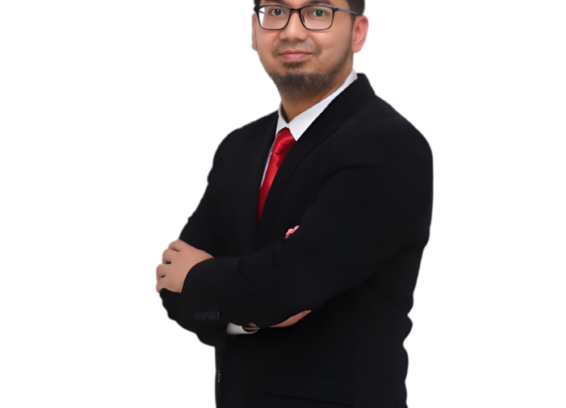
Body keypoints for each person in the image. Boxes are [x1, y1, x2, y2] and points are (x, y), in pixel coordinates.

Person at [155, 0, 434, 406]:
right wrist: (250, 318)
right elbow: (169, 282)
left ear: (358, 32)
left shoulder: (388, 145)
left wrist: (203, 280)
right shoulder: (238, 145)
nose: (291, 31)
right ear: (254, 32)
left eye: (318, 12)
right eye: (276, 12)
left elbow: (286, 284)